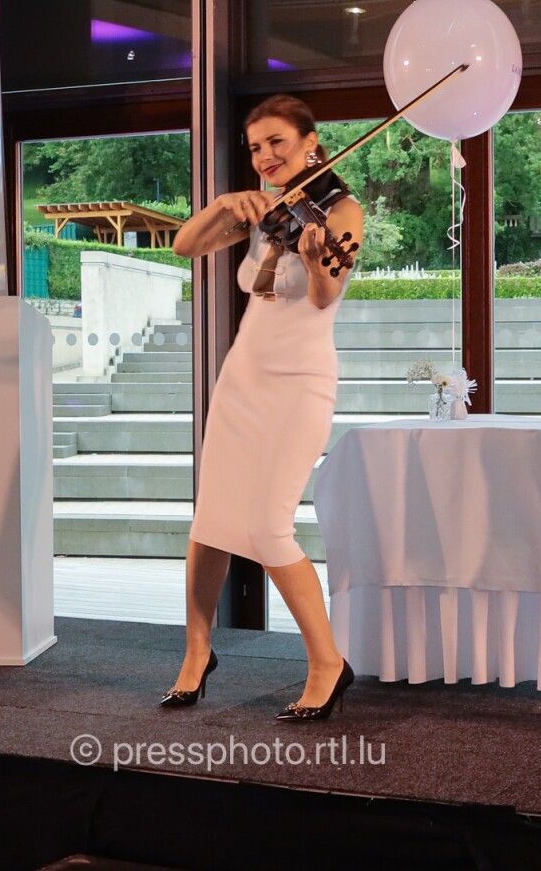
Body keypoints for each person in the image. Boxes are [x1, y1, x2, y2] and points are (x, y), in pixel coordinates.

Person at [164, 94, 362, 721]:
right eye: (255, 148)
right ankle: (197, 653)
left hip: (300, 380)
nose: (266, 156)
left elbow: (326, 295)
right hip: (243, 377)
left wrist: (317, 260)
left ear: (311, 142)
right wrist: (225, 204)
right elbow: (184, 245)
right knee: (210, 520)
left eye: (277, 142)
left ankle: (328, 663)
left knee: (269, 525)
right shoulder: (263, 208)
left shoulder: (342, 209)